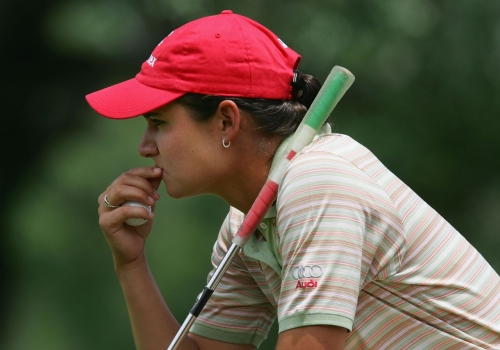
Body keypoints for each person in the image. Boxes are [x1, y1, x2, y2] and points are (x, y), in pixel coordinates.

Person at [87, 10, 500, 350]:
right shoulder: (244, 220)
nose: (145, 146)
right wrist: (131, 264)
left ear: (227, 121)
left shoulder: (316, 182)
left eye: (158, 123)